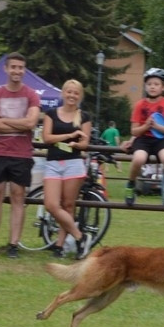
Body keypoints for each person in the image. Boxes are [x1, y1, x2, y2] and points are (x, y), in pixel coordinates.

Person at [0, 52, 41, 259]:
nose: (17, 71)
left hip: (21, 154)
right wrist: (19, 123)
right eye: (13, 67)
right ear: (6, 69)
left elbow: (31, 123)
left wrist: (4, 121)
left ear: (24, 70)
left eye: (20, 67)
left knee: (18, 197)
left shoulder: (31, 95)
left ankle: (13, 244)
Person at [41, 79, 94, 259]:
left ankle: (60, 245)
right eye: (69, 92)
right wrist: (70, 135)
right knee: (51, 204)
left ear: (80, 96)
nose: (72, 95)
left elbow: (85, 143)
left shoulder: (84, 116)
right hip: (53, 163)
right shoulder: (51, 114)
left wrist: (78, 144)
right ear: (63, 93)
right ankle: (80, 237)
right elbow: (46, 138)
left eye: (76, 93)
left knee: (68, 205)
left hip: (73, 163)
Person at [124, 67, 164, 207]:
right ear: (145, 86)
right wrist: (147, 126)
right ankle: (131, 184)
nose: (152, 87)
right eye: (149, 84)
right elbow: (134, 131)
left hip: (162, 138)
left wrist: (157, 127)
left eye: (156, 84)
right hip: (143, 138)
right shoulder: (139, 105)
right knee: (138, 159)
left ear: (163, 87)